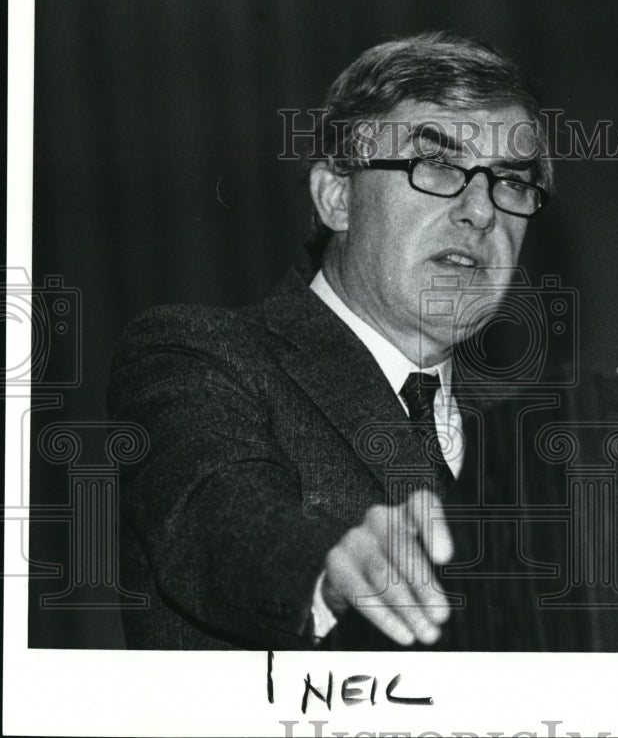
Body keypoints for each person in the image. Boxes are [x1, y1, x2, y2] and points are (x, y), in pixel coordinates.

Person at [107, 32, 554, 650]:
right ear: (337, 197)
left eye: (510, 180)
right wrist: (333, 563)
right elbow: (217, 515)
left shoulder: (534, 431)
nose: (482, 211)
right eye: (440, 165)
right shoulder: (199, 353)